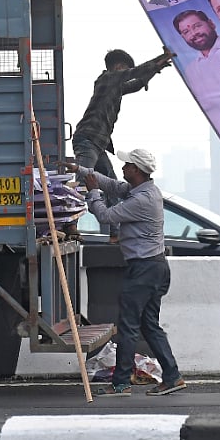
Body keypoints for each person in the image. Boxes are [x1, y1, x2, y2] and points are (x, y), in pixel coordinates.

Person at [66, 149, 185, 397]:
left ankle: (120, 383)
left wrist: (92, 192)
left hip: (144, 269)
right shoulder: (142, 190)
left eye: (128, 164)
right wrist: (81, 170)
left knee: (129, 326)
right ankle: (172, 377)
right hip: (154, 267)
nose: (123, 167)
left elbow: (105, 215)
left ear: (137, 170)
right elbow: (112, 185)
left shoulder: (141, 200)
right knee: (149, 325)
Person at [72, 48, 174, 240]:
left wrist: (154, 70)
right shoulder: (107, 79)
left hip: (98, 143)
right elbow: (133, 75)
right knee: (82, 181)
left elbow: (136, 84)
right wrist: (159, 60)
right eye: (125, 70)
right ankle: (69, 223)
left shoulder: (114, 86)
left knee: (111, 183)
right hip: (88, 138)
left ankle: (115, 234)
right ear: (119, 67)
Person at [172, 10, 220, 97]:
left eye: (197, 26)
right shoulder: (191, 71)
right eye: (186, 32)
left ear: (211, 24)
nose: (194, 33)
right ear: (183, 37)